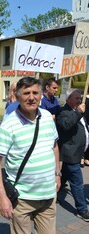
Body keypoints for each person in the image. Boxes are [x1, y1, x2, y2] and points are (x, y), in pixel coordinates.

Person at [0, 77, 60, 234]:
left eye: (35, 92)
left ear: (41, 95)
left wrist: (57, 174)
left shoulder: (48, 117)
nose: (31, 97)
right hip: (22, 198)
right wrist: (2, 197)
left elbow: (54, 146)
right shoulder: (9, 124)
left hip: (48, 195)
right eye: (26, 93)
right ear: (18, 95)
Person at [56, 88, 89, 221]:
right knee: (77, 182)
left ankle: (54, 195)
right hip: (71, 153)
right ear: (68, 99)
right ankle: (82, 209)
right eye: (76, 98)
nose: (79, 100)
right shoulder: (64, 112)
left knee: (64, 176)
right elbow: (65, 125)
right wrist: (78, 113)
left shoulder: (78, 111)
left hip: (78, 152)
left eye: (80, 98)